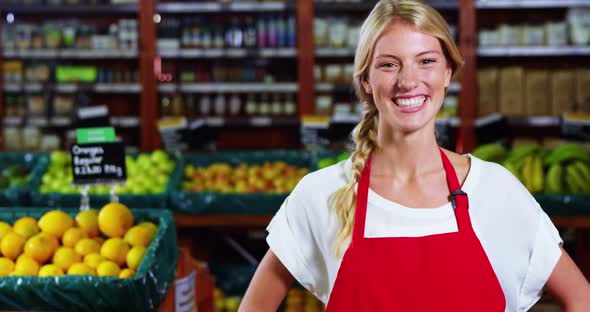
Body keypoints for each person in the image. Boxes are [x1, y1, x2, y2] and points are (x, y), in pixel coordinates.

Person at [239, 0, 590, 311]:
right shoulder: (322, 195)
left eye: (426, 61)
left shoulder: (495, 191)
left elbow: (581, 298)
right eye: (389, 65)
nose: (408, 81)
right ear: (365, 80)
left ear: (447, 72)